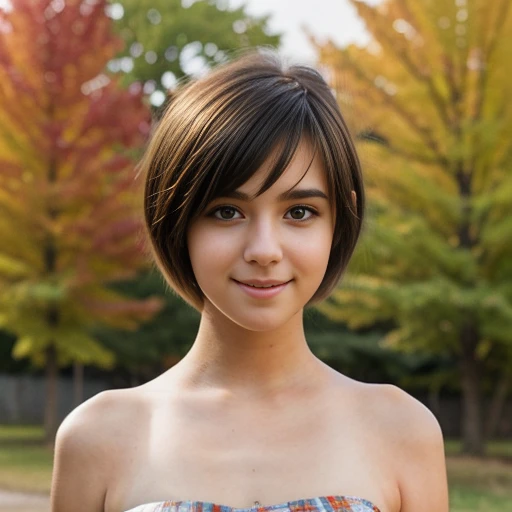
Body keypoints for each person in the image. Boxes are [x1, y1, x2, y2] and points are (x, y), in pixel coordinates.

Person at [50, 49, 449, 512]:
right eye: (227, 212)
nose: (263, 250)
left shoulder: (402, 431)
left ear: (340, 221)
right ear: (178, 222)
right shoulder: (99, 438)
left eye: (300, 212)